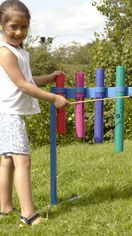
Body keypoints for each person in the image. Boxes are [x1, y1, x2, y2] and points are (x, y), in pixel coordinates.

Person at [0, 0, 69, 225]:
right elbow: (23, 85)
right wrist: (53, 98)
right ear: (1, 25)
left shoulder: (19, 52)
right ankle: (28, 214)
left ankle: (5, 207)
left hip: (9, 112)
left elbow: (28, 80)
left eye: (24, 27)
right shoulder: (5, 52)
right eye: (13, 26)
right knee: (23, 161)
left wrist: (47, 78)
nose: (19, 32)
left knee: (8, 161)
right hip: (7, 113)